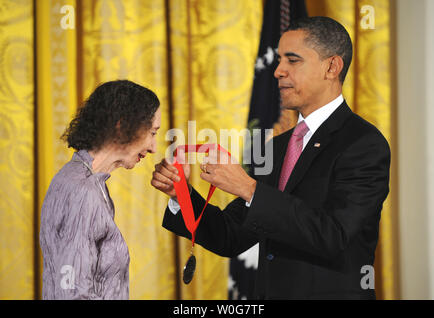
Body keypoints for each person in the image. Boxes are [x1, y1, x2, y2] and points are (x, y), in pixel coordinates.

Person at [151, 16, 390, 299]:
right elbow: (230, 236)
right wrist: (181, 194)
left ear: (331, 67)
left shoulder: (363, 143)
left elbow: (334, 236)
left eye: (292, 60)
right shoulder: (278, 147)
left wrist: (248, 188)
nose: (278, 71)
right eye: (278, 60)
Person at [40, 80, 161, 299]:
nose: (154, 148)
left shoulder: (90, 182)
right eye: (152, 133)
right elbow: (72, 293)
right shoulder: (81, 191)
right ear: (123, 125)